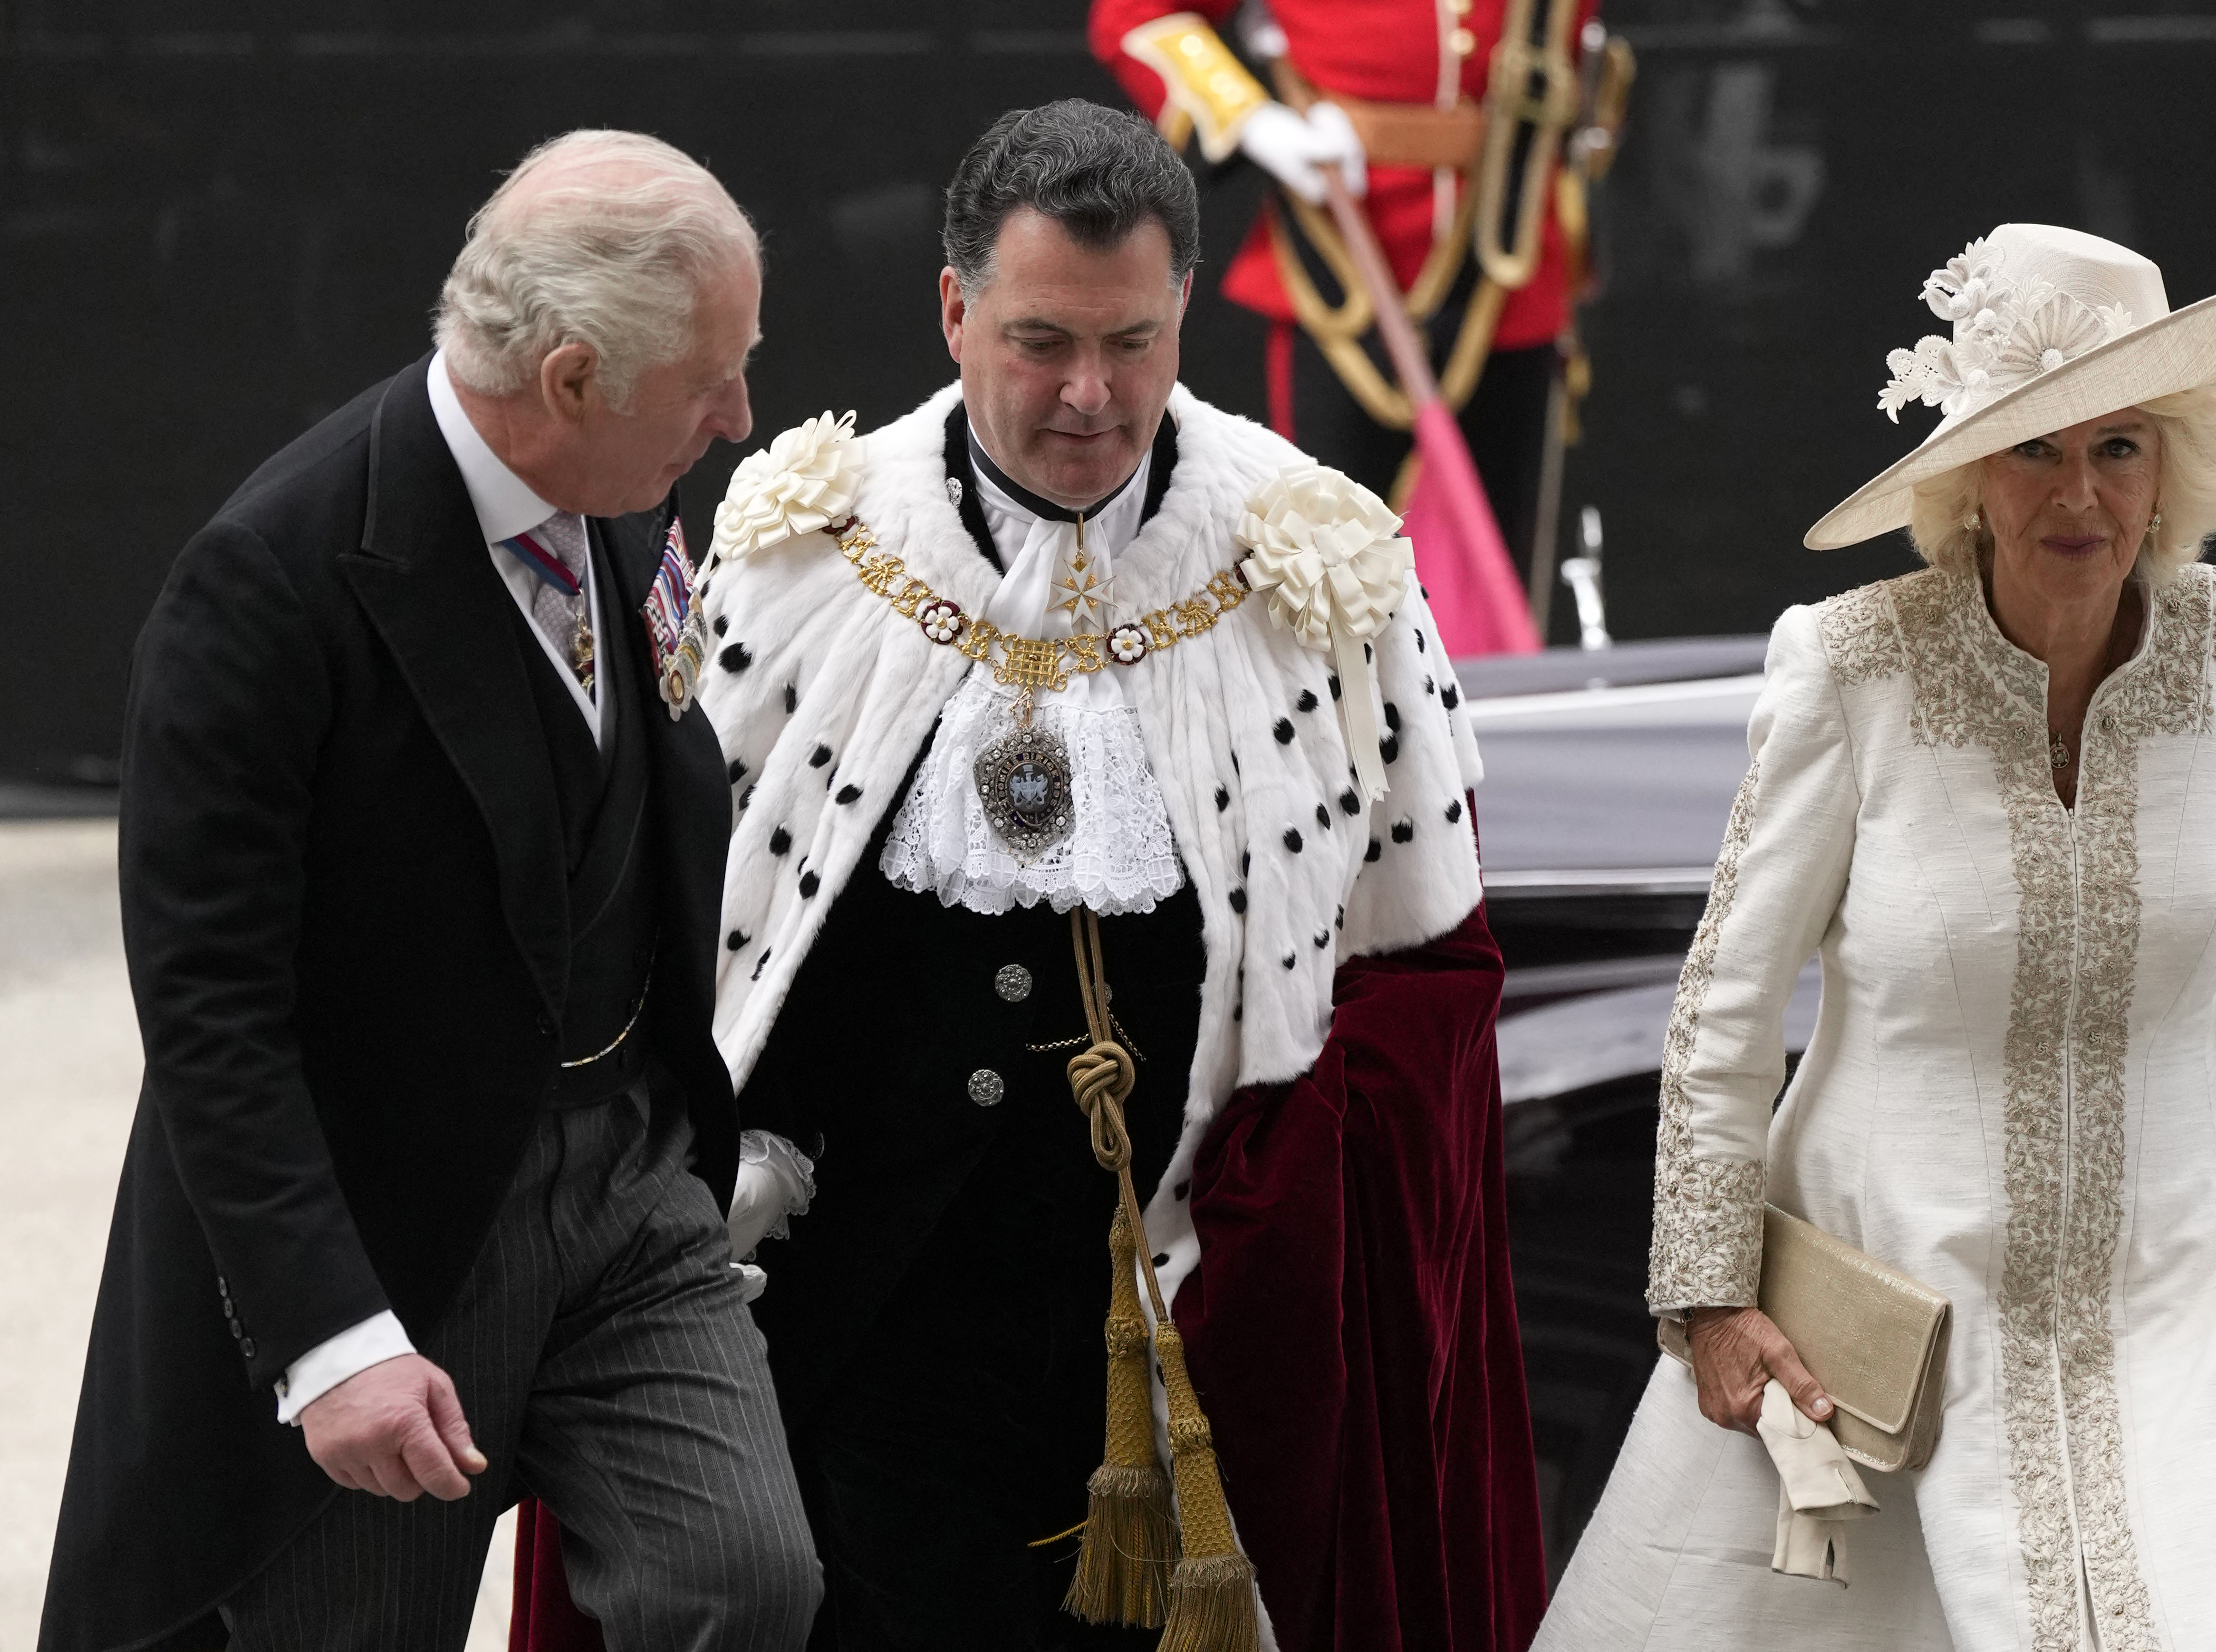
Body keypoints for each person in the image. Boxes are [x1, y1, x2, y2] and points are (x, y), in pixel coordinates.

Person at [512, 97, 1546, 1652]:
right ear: (953, 310)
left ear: (1185, 308)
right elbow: (655, 945)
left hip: (1190, 1345)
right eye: (1041, 340)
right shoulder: (802, 549)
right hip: (849, 1332)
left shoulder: (1325, 566)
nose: (1089, 393)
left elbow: (1432, 971)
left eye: (1132, 342)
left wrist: (1298, 1195)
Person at [40, 131, 822, 1651]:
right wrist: (330, 1339)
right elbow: (211, 1015)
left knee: (742, 1576)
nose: (740, 417)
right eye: (712, 380)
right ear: (575, 376)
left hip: (627, 1187)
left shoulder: (623, 485)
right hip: (387, 1225)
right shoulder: (270, 581)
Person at [1536, 224, 2216, 1651]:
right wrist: (1711, 1295)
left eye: (2118, 446)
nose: (2079, 492)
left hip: (2173, 1290)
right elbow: (1723, 1002)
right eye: (2034, 448)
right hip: (1885, 1312)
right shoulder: (1851, 665)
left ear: (2171, 465)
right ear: (1969, 474)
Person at [1086, 0, 1622, 592]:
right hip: (1341, 258)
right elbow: (1134, 14)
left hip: (1510, 255)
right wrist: (1248, 119)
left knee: (1500, 579)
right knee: (1326, 578)